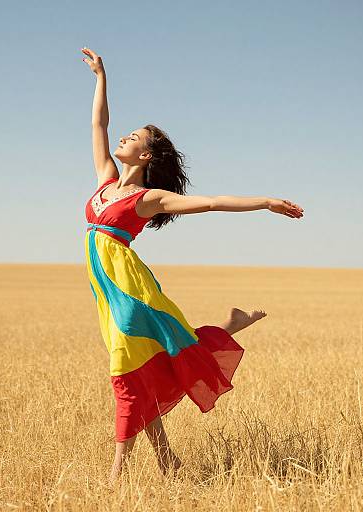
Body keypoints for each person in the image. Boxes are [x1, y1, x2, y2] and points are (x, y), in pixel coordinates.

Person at [81, 47, 304, 486]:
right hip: (106, 289)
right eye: (128, 134)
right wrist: (101, 77)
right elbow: (98, 124)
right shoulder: (106, 179)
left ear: (145, 158)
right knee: (143, 365)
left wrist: (267, 202)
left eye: (134, 138)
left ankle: (115, 475)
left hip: (129, 288)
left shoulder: (148, 199)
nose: (124, 138)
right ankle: (167, 458)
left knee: (127, 367)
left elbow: (212, 202)